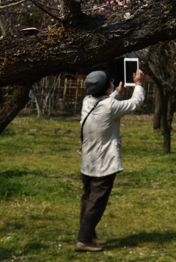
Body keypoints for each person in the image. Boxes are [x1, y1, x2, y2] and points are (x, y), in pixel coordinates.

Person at [76, 67, 147, 253]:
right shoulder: (110, 106)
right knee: (96, 203)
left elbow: (104, 103)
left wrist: (115, 93)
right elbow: (136, 102)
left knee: (87, 200)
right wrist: (138, 84)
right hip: (104, 164)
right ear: (107, 88)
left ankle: (89, 234)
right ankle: (83, 241)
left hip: (88, 161)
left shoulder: (87, 101)